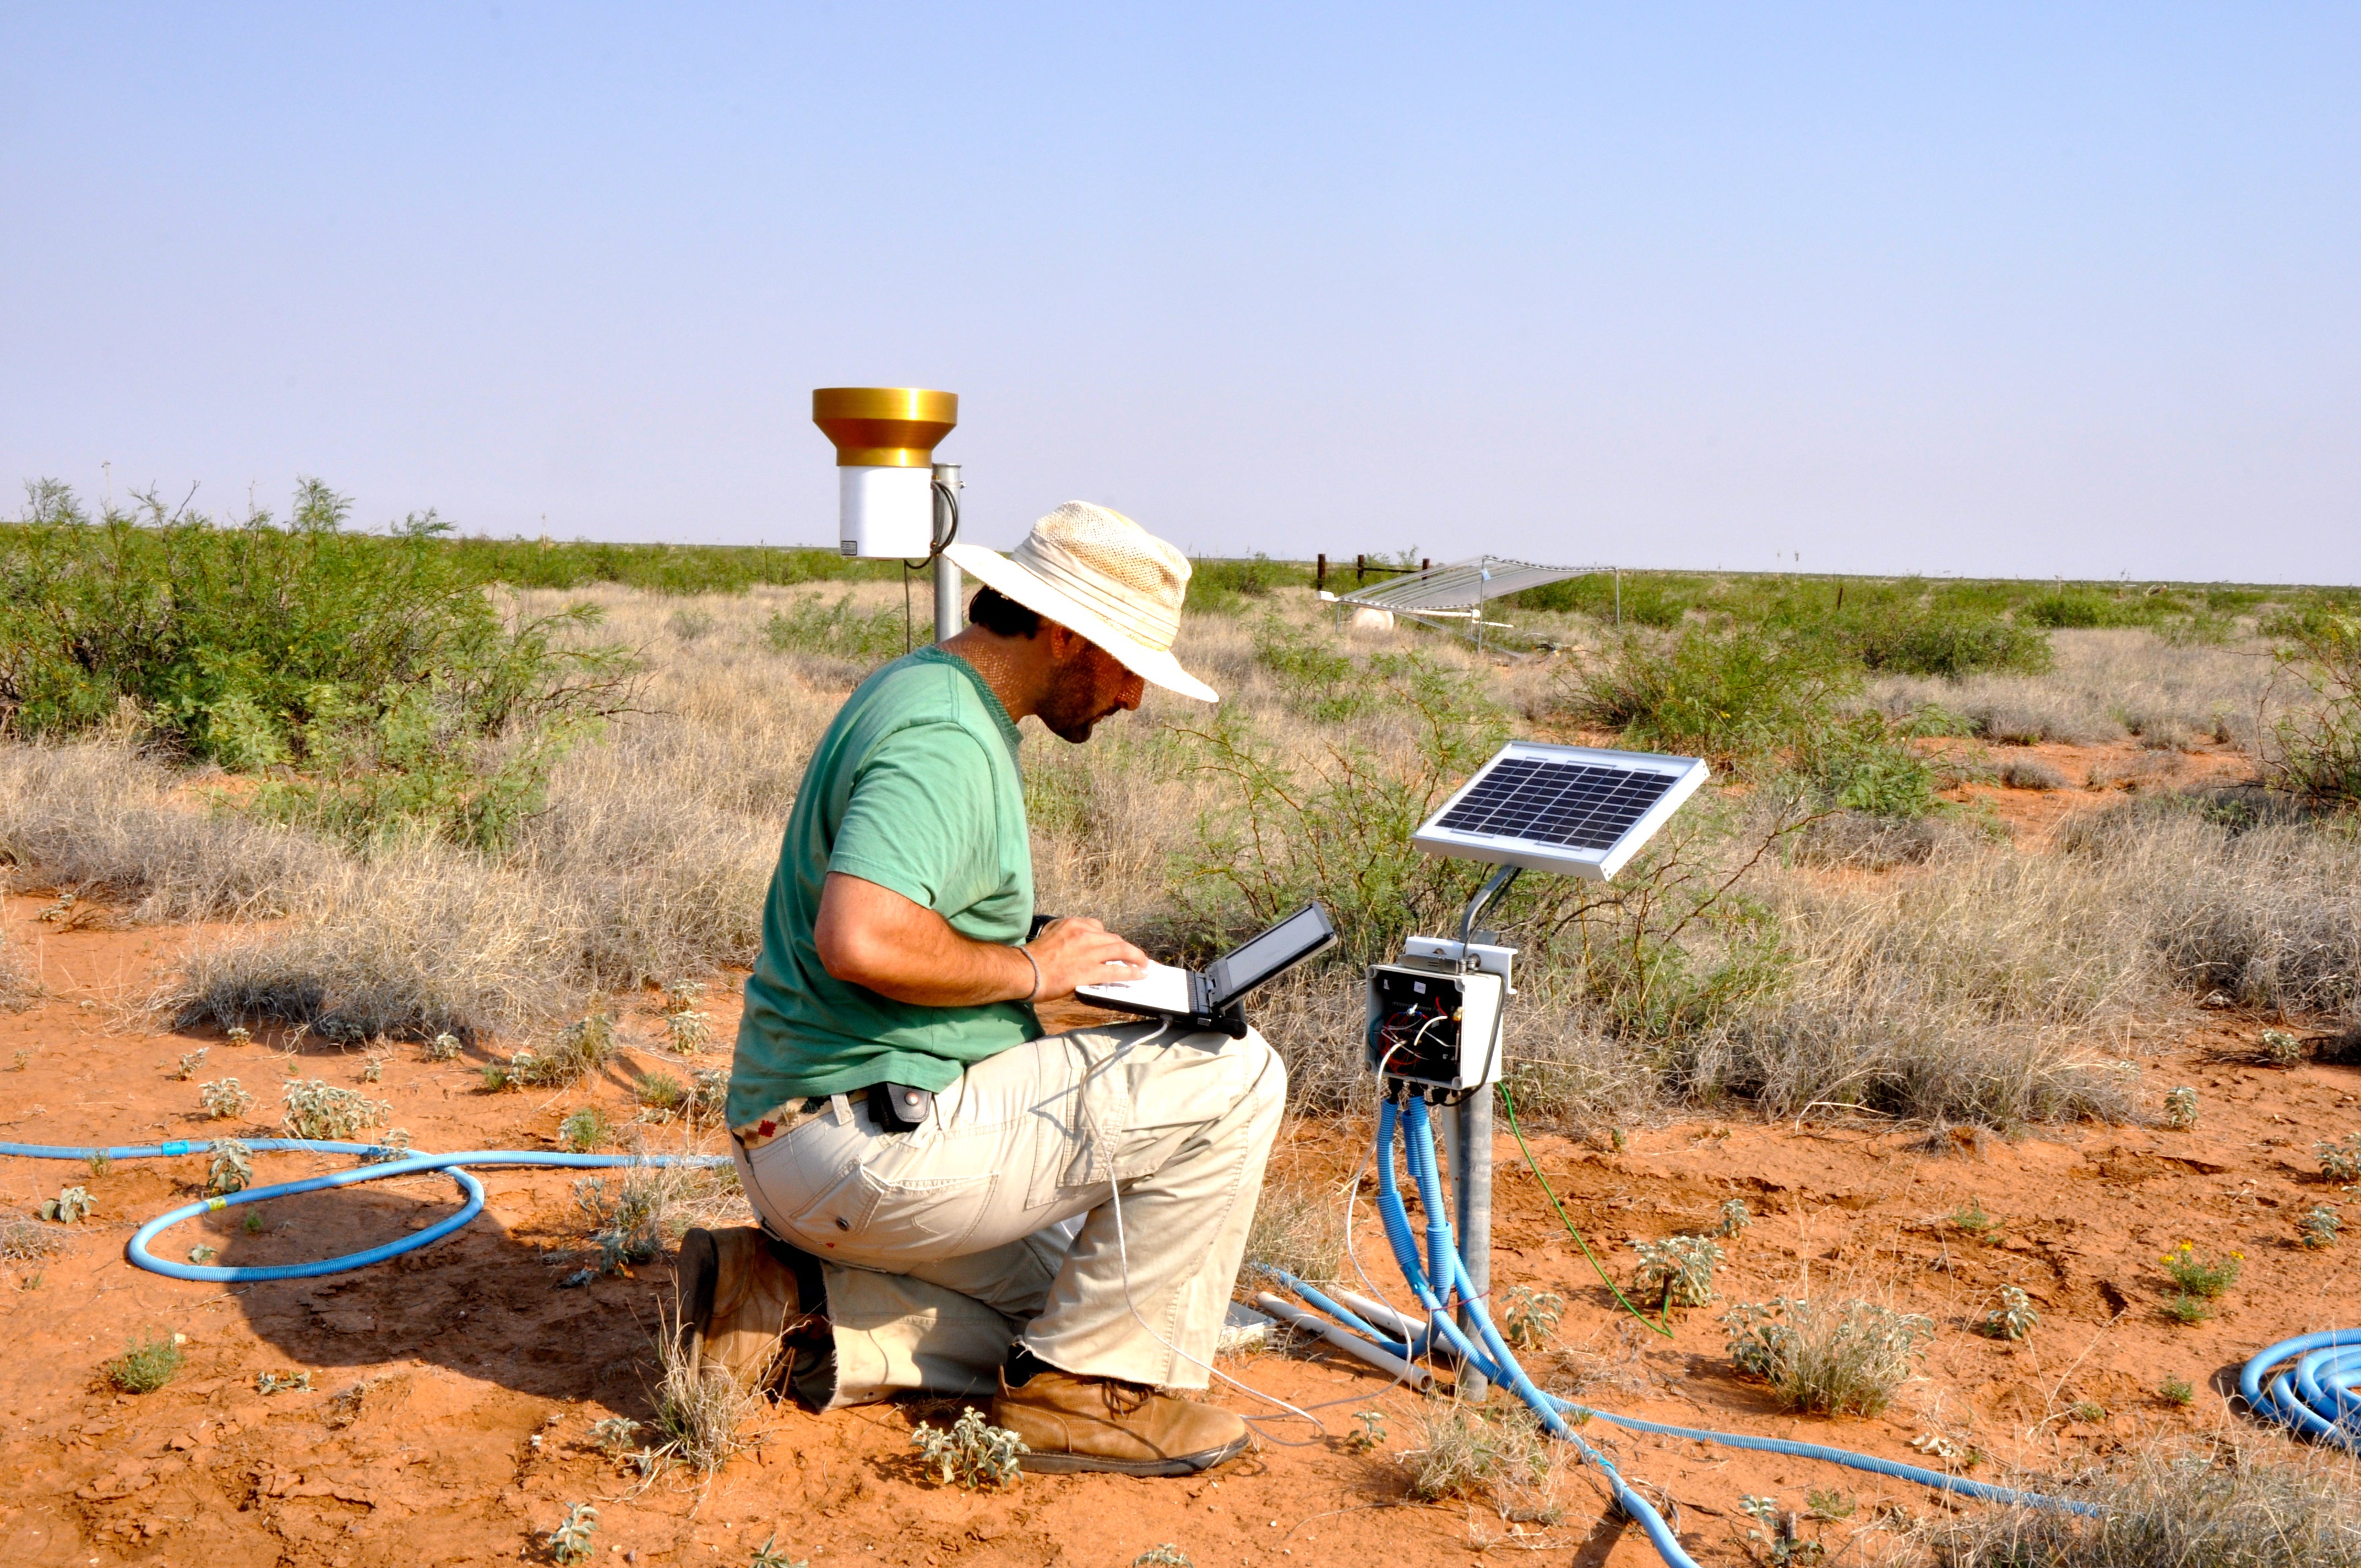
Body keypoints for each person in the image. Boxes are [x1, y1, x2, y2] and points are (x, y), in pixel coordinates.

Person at [679, 501, 1286, 1477]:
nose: (1134, 698)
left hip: (804, 1139)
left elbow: (910, 918)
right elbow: (860, 935)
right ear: (1060, 632)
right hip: (859, 1140)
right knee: (1239, 1072)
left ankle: (789, 1309)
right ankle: (1093, 1401)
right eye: (1129, 663)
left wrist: (1043, 952)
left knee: (1083, 1301)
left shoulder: (929, 693)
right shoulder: (947, 740)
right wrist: (1033, 974)